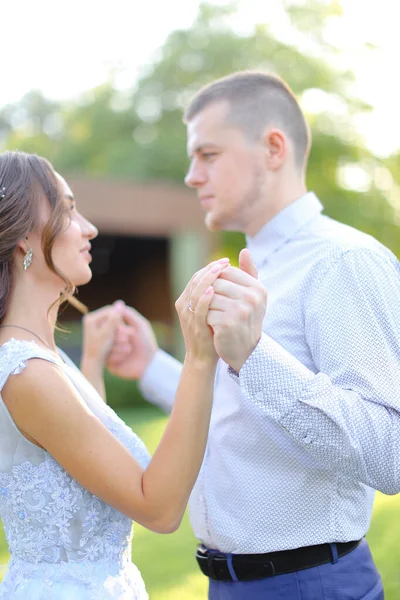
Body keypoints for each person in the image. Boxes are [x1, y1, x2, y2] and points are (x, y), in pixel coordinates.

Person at [105, 71, 400, 600]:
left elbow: (392, 453)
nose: (192, 176)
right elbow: (241, 413)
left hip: (312, 586)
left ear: (273, 147)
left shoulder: (343, 262)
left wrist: (256, 357)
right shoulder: (249, 266)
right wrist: (150, 366)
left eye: (208, 154)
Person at [0, 150, 262, 599]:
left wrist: (90, 366)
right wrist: (201, 355)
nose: (89, 228)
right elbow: (158, 508)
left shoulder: (41, 359)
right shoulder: (25, 371)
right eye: (68, 209)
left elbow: (74, 454)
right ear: (24, 238)